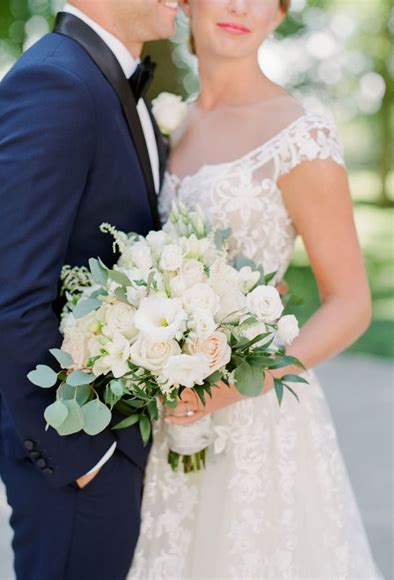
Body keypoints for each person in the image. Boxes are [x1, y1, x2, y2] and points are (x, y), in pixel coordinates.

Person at [129, 0, 383, 578]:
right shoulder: (169, 122)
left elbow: (350, 303)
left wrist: (232, 389)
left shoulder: (301, 135)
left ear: (279, 14)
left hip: (256, 420)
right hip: (168, 415)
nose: (241, 6)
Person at [0, 1, 178, 578]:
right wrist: (85, 456)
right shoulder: (54, 82)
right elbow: (5, 303)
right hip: (75, 440)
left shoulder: (107, 80)